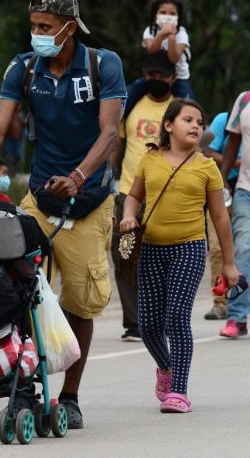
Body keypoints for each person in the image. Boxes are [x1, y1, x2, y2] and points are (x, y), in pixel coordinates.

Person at [0, 0, 127, 429]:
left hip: (88, 202)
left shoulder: (103, 64)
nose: (37, 34)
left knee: (80, 304)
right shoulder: (24, 67)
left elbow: (110, 133)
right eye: (33, 26)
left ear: (69, 27)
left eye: (45, 27)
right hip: (37, 200)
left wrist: (77, 176)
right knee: (22, 293)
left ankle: (69, 396)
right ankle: (27, 387)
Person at [120, 99, 238, 413]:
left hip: (189, 247)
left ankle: (180, 391)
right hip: (151, 249)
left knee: (176, 318)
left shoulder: (207, 167)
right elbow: (133, 196)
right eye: (189, 119)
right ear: (169, 125)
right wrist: (128, 217)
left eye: (200, 121)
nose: (197, 126)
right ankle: (166, 367)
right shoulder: (151, 158)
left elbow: (220, 218)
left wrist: (228, 263)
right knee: (147, 325)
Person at [111, 51, 175, 342]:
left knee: (161, 259)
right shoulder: (133, 105)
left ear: (173, 78)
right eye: (150, 75)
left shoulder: (179, 110)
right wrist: (105, 174)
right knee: (124, 256)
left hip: (165, 196)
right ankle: (134, 323)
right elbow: (116, 143)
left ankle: (161, 317)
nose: (155, 80)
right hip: (127, 193)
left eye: (161, 76)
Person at [202, 111, 240, 320]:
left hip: (245, 189)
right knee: (217, 249)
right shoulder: (223, 120)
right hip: (220, 188)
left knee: (243, 249)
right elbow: (207, 150)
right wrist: (234, 163)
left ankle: (242, 301)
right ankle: (220, 302)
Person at [218, 90, 250, 338]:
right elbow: (233, 142)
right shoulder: (244, 100)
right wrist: (220, 180)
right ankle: (237, 317)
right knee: (242, 249)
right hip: (245, 190)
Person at [127, 0, 193, 109]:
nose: (167, 17)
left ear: (179, 17)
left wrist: (172, 37)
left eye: (172, 14)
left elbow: (174, 58)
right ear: (155, 15)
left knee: (189, 103)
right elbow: (152, 50)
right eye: (163, 12)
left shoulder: (181, 34)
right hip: (155, 76)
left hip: (178, 77)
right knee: (130, 93)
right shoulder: (149, 31)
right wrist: (161, 34)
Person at [1, 109, 26, 173]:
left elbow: (25, 124)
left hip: (19, 139)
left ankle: (16, 171)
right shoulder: (8, 113)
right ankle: (8, 172)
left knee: (18, 155)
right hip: (9, 138)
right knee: (7, 156)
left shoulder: (21, 115)